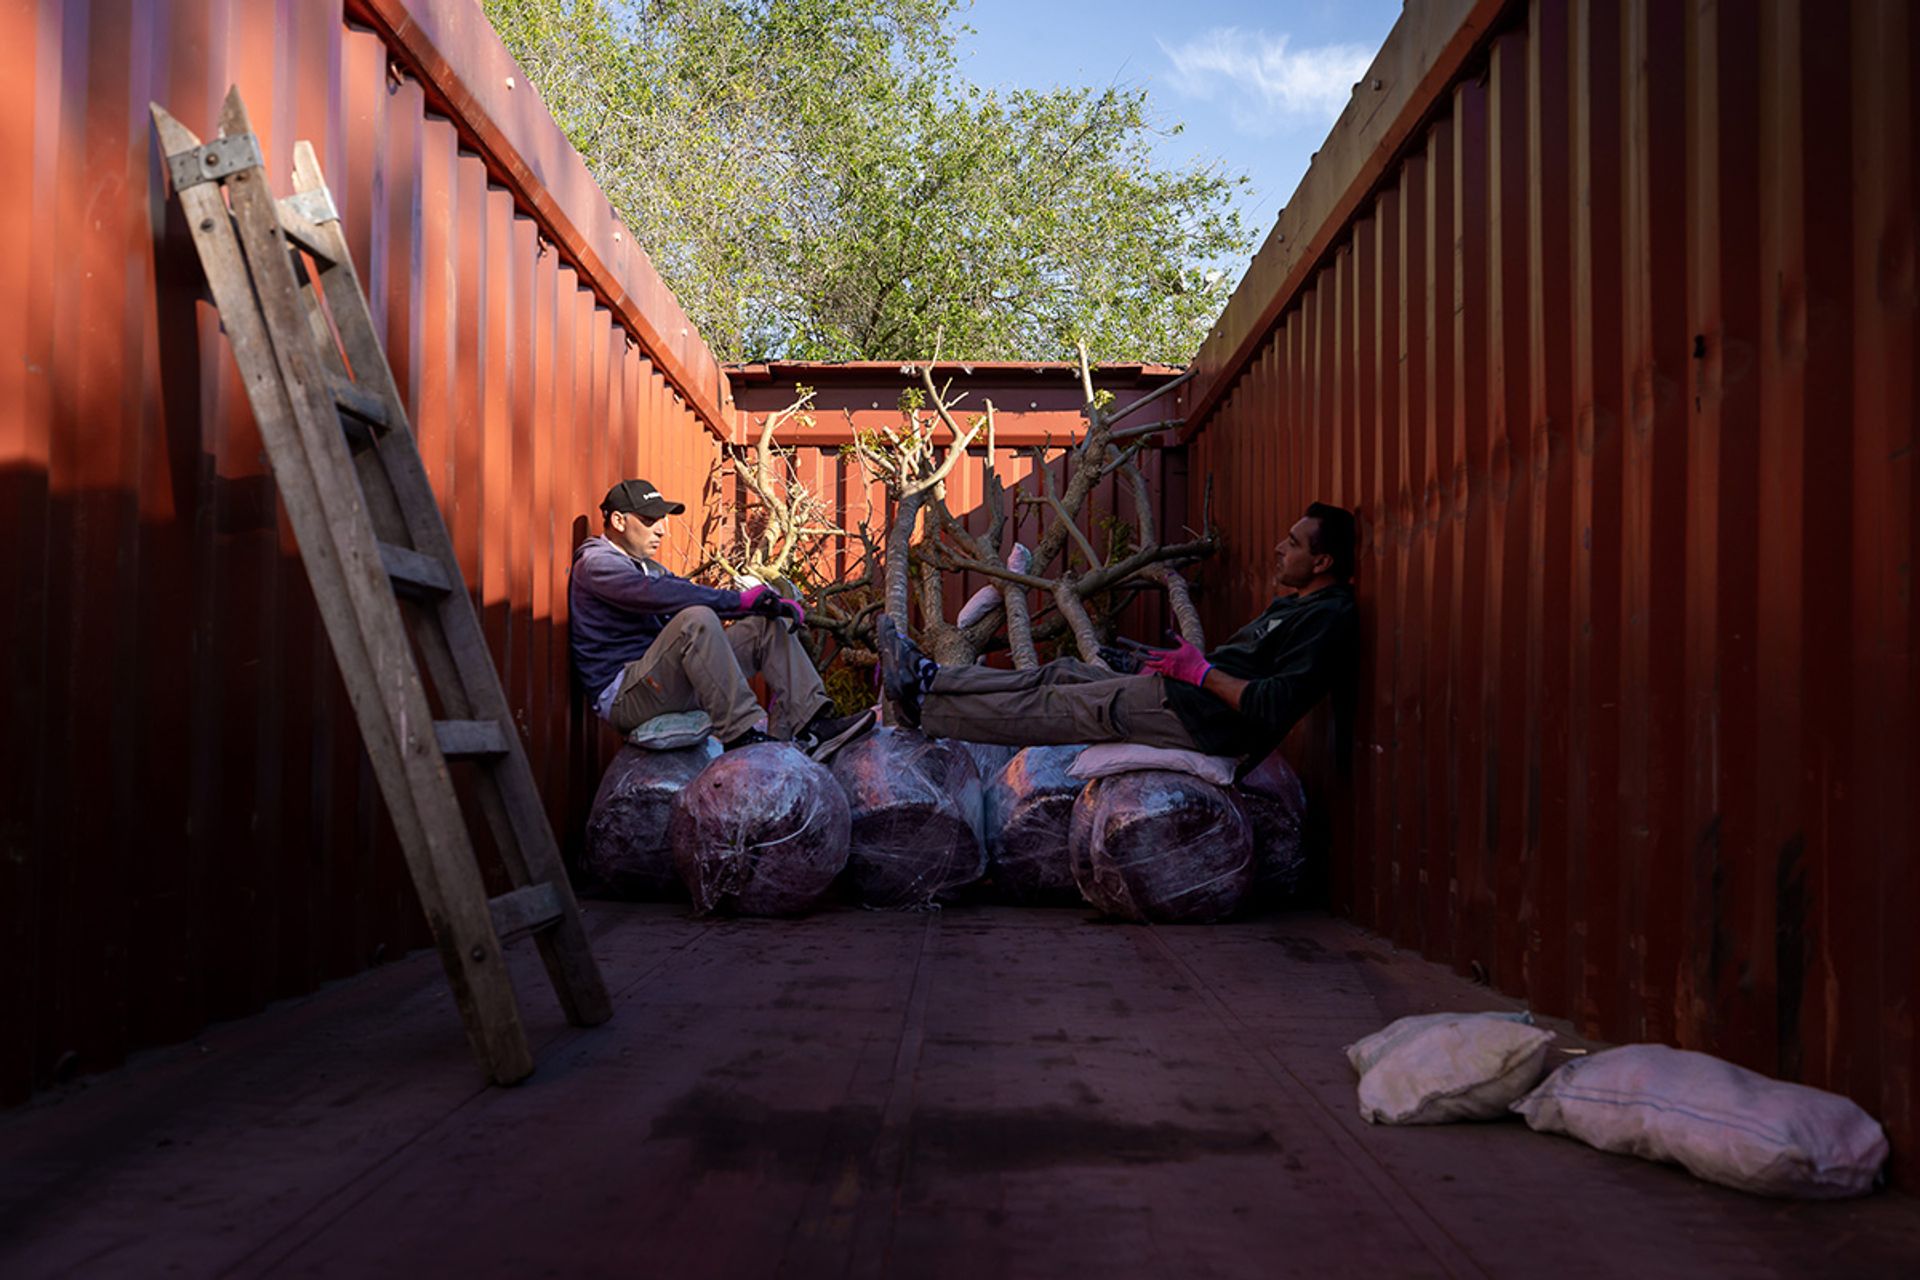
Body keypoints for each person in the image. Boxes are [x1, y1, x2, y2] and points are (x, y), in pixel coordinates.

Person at [878, 502, 1359, 768]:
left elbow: (1274, 703)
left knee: (1066, 707)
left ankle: (924, 709)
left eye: (1293, 544)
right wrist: (1179, 668)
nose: (1279, 548)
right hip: (1185, 696)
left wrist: (1201, 673)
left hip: (1200, 720)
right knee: (1063, 672)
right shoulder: (1296, 604)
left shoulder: (1328, 619)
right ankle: (930, 679)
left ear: (1322, 563)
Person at [570, 478, 874, 756]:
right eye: (650, 520)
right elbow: (657, 595)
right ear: (619, 521)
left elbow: (682, 590)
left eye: (662, 520)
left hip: (662, 682)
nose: (662, 529)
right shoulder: (597, 564)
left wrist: (762, 605)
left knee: (764, 627)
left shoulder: (648, 567)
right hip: (628, 697)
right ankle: (741, 734)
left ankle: (815, 725)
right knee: (696, 619)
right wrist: (740, 601)